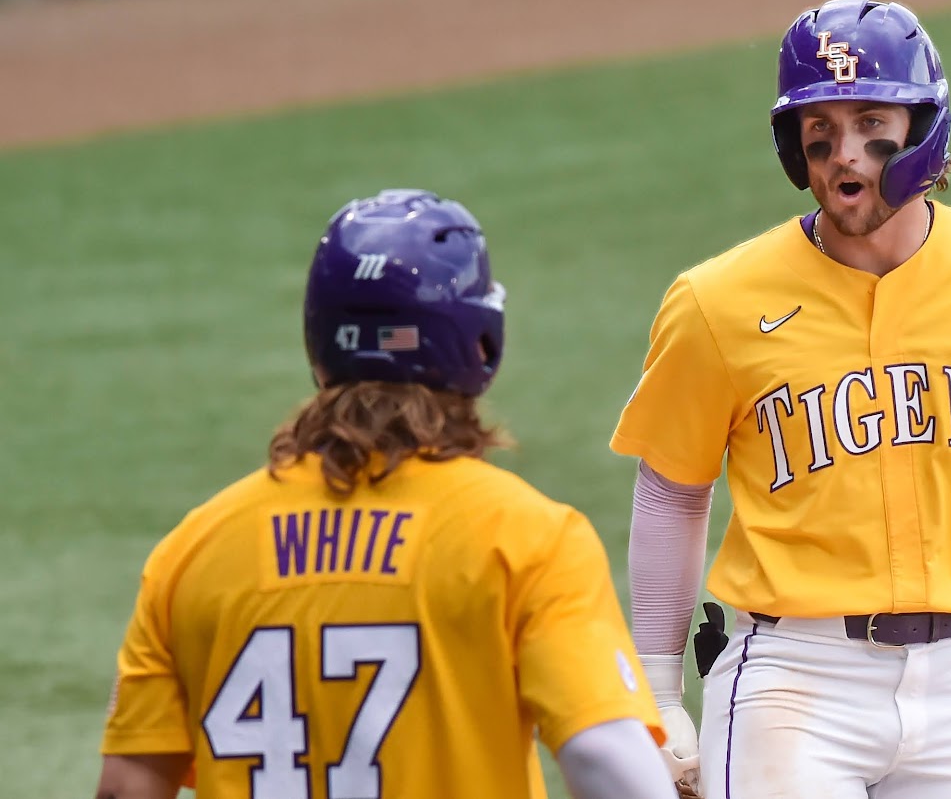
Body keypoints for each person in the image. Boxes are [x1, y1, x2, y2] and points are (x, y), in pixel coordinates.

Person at [612, 0, 951, 798]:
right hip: (792, 684)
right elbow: (672, 489)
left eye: (870, 123)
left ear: (925, 127)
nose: (843, 154)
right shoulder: (717, 301)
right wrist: (655, 692)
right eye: (818, 131)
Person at [95, 189, 677, 799]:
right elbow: (602, 755)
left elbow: (127, 786)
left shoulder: (193, 551)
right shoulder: (525, 536)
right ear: (480, 337)